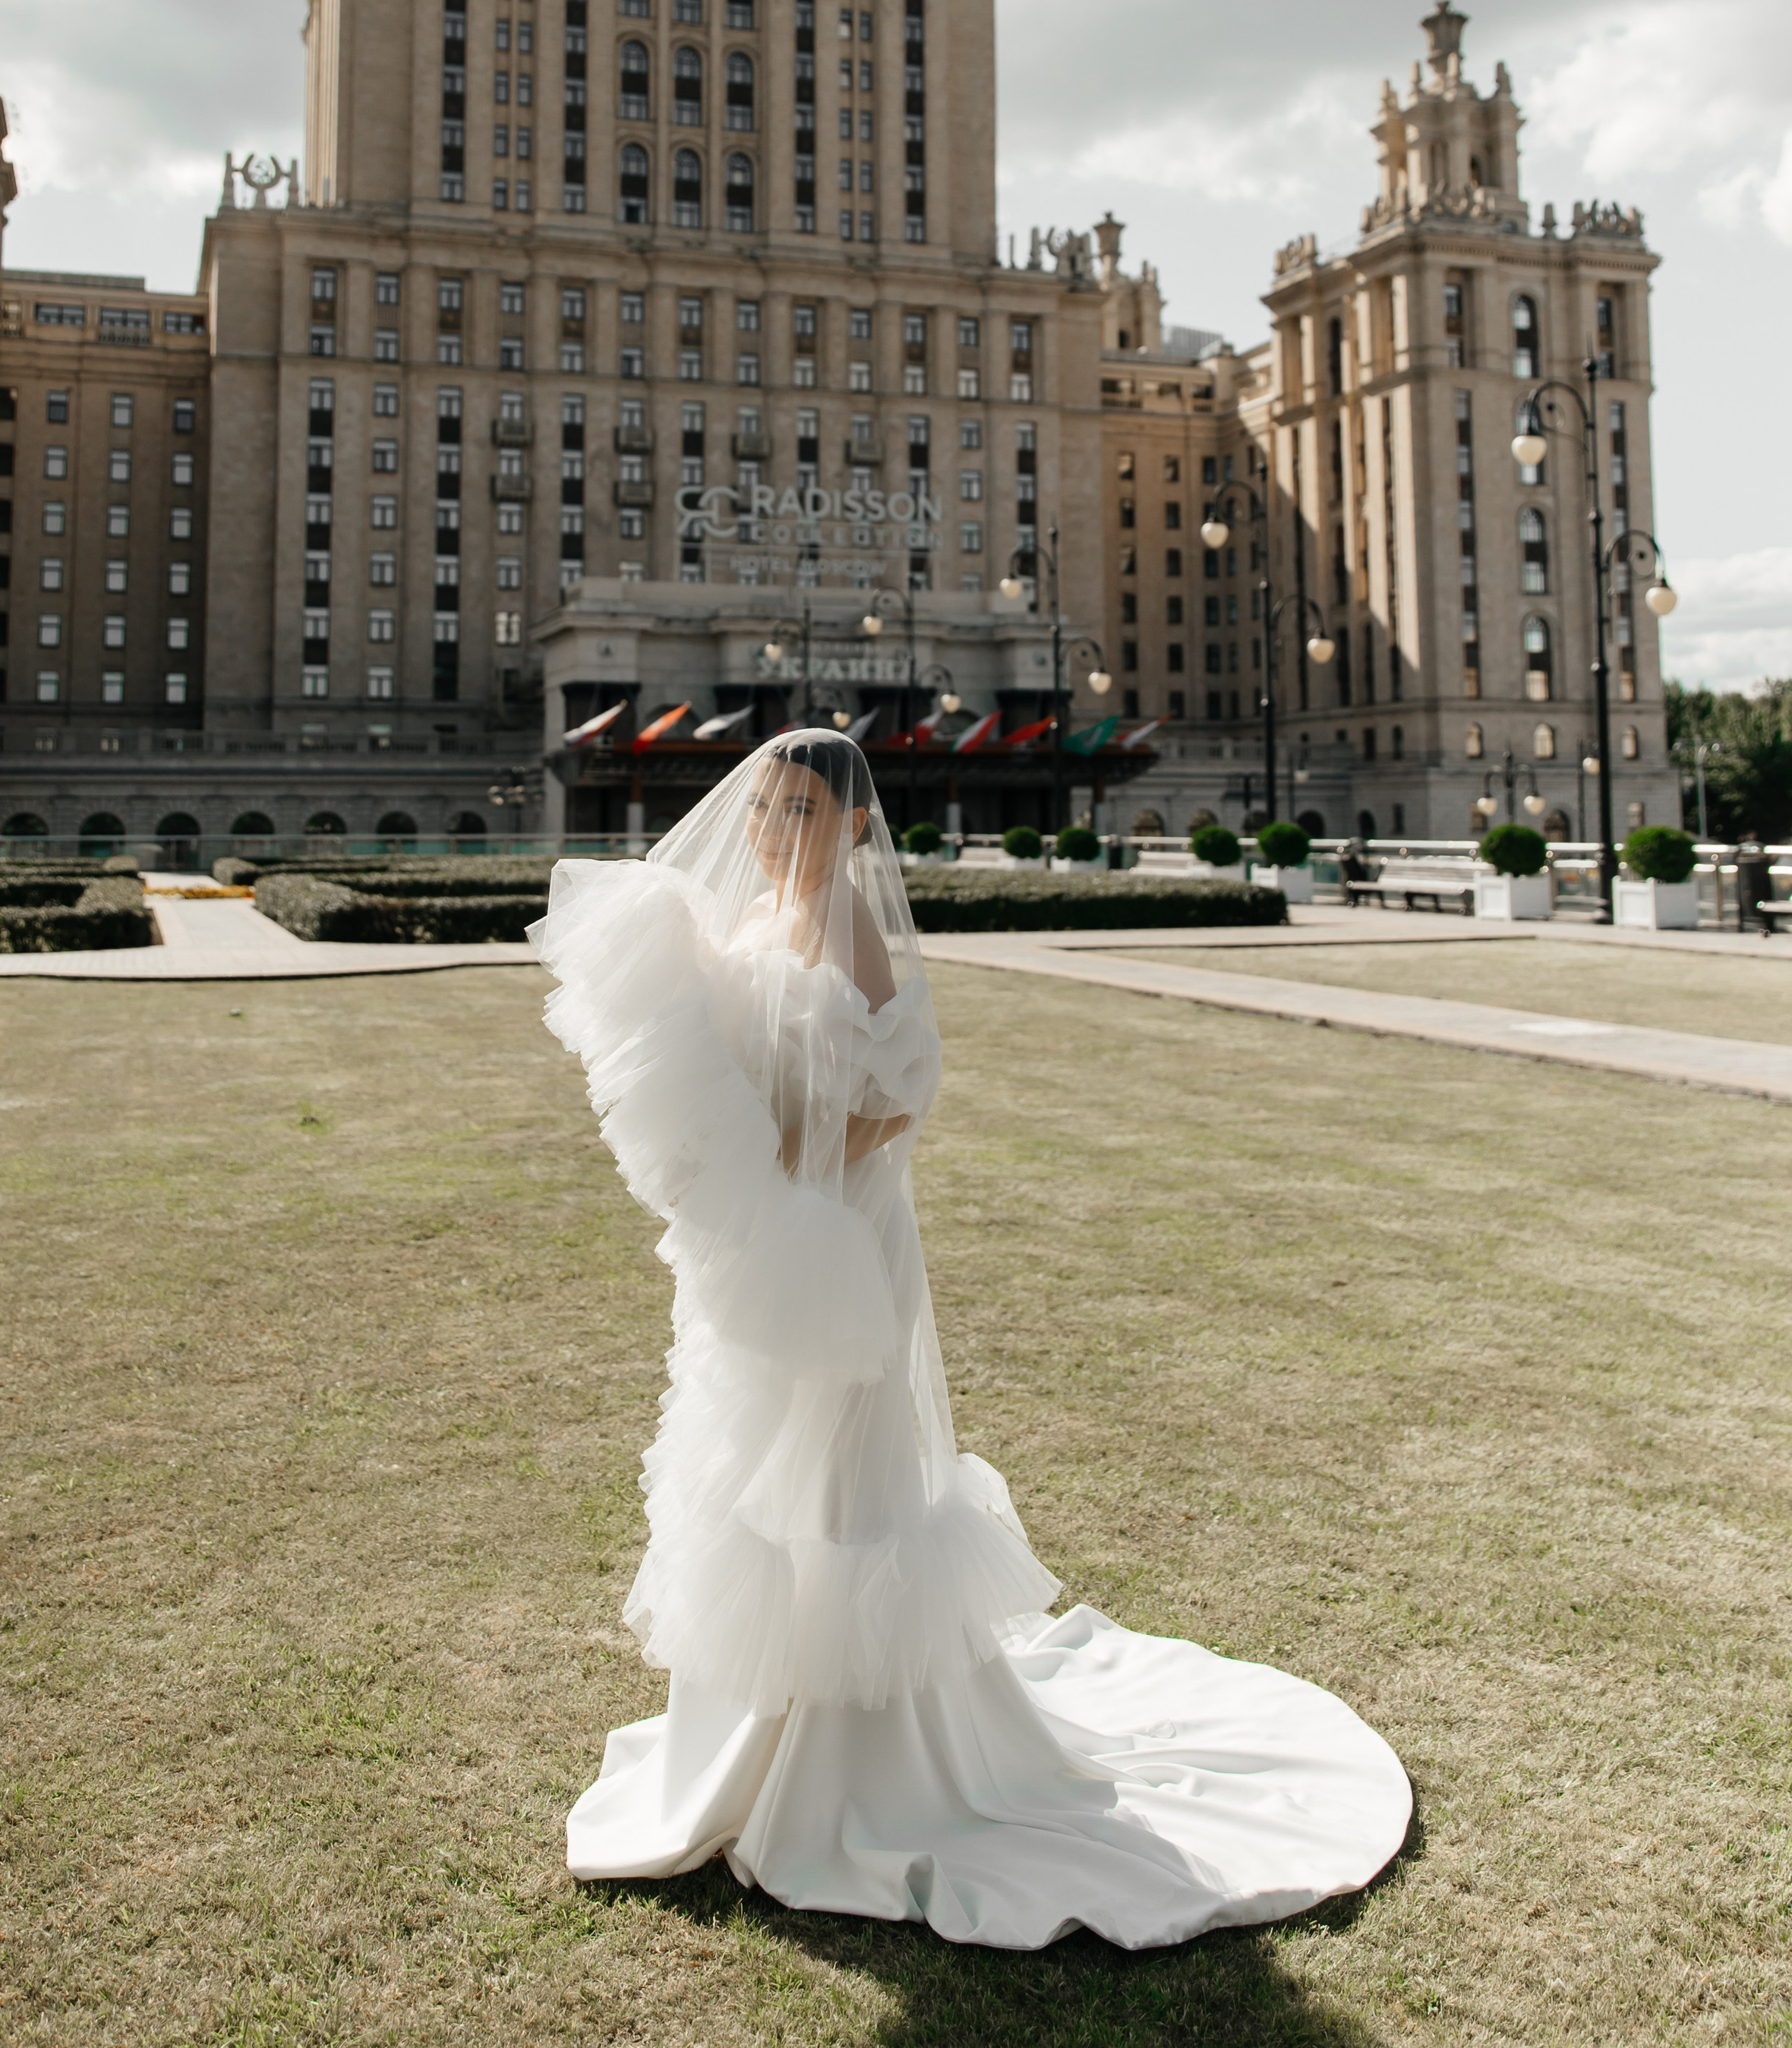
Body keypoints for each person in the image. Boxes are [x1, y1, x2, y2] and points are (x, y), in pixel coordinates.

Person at [529, 731, 1411, 1949]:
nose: (769, 831)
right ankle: (747, 1736)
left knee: (837, 1472)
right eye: (764, 808)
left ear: (851, 828)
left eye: (797, 812)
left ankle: (859, 1762)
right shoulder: (756, 917)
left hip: (834, 1230)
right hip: (765, 1235)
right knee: (749, 1463)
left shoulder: (851, 929)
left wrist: (785, 1173)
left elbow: (897, 1098)